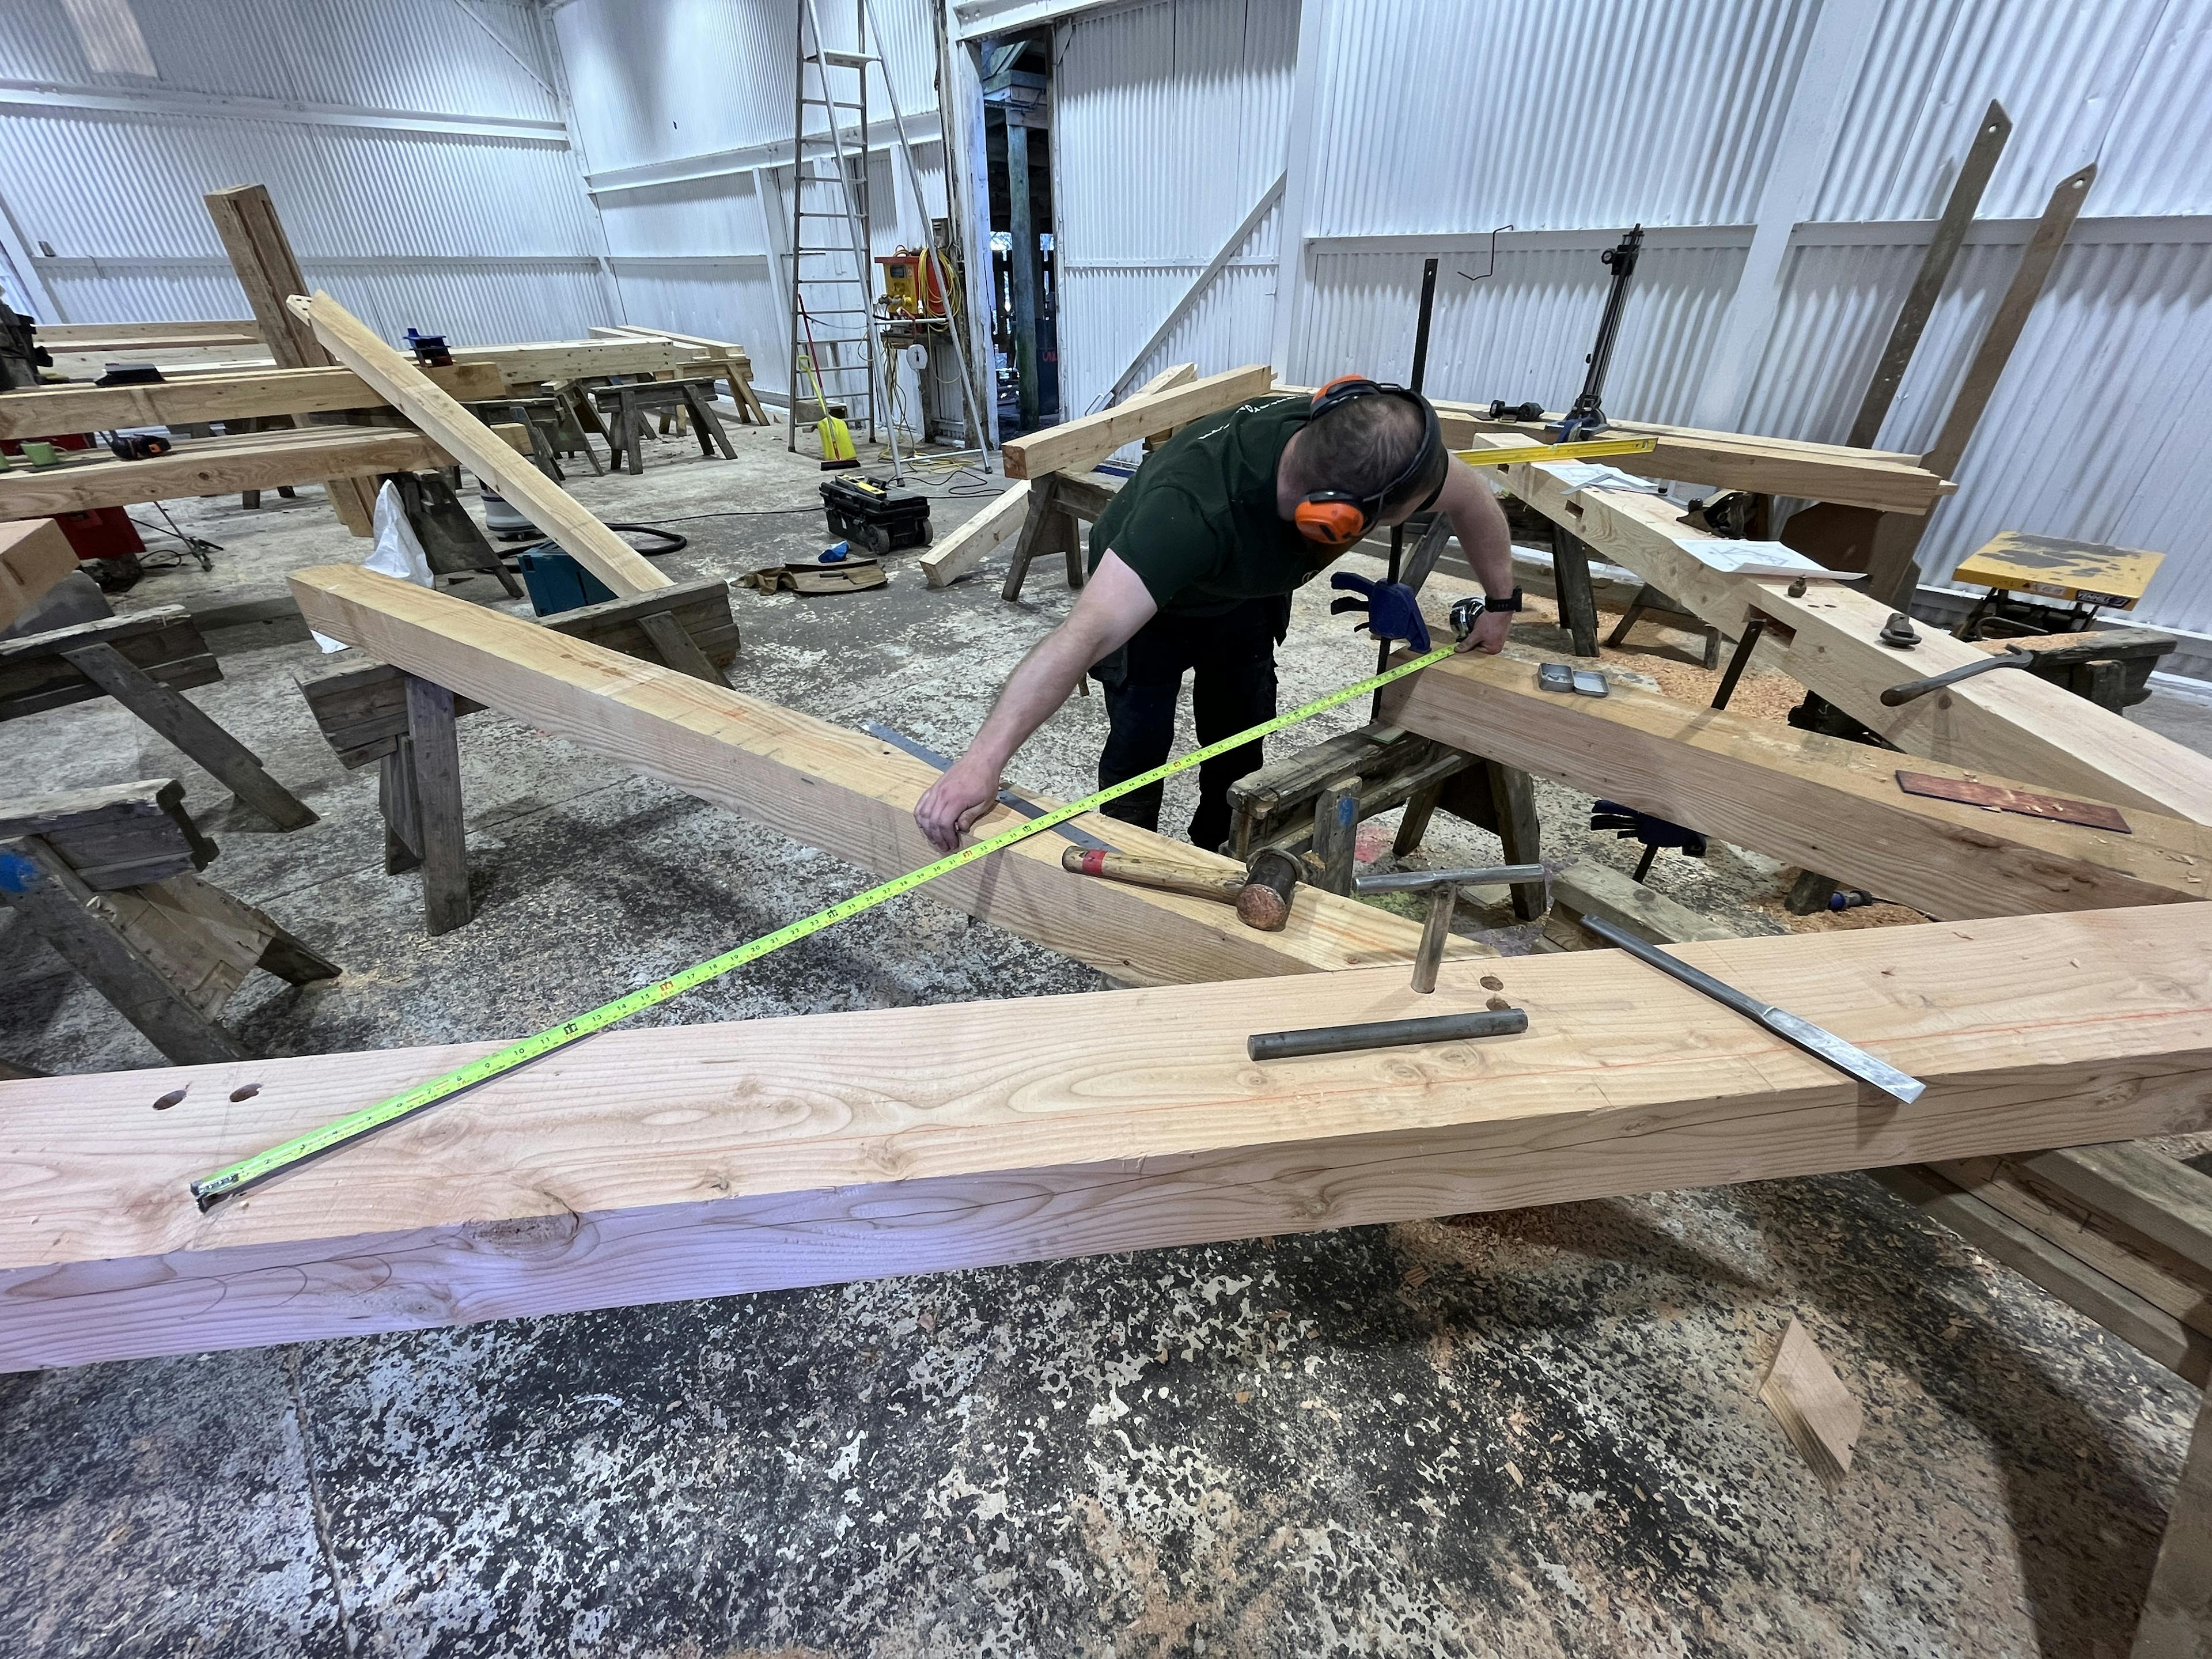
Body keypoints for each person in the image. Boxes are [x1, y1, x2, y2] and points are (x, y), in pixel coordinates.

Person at [913, 377, 1522, 854]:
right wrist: (980, 764)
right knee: (1139, 745)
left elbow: (1470, 496)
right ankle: (1126, 859)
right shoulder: (1187, 517)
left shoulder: (1370, 450)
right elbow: (1079, 638)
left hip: (1246, 596)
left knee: (1238, 738)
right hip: (1155, 602)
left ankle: (1219, 851)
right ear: (1335, 519)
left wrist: (1500, 604)